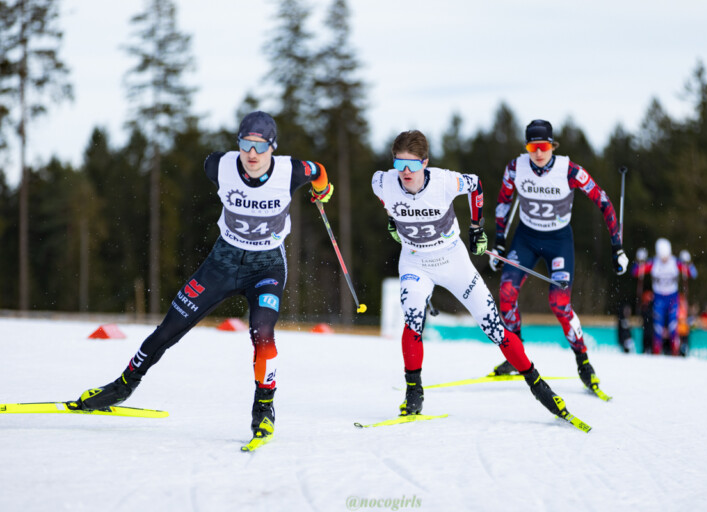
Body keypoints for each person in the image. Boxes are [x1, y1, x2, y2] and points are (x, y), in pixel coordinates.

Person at [74, 111, 334, 446]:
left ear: (273, 148)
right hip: (223, 262)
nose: (252, 155)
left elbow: (319, 172)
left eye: (260, 146)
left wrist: (323, 191)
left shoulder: (291, 171)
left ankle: (264, 409)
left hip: (266, 266)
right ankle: (123, 385)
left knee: (263, 331)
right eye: (245, 144)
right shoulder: (218, 165)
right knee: (169, 327)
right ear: (238, 143)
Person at [371, 129, 574, 422]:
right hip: (415, 262)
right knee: (413, 319)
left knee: (493, 327)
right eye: (399, 164)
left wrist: (476, 228)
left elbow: (476, 186)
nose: (405, 172)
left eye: (412, 165)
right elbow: (383, 195)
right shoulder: (382, 181)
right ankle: (413, 392)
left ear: (425, 163)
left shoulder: (444, 181)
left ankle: (538, 385)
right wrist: (393, 218)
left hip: (453, 261)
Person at [487, 120, 627, 398]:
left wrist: (617, 247)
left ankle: (583, 361)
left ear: (552, 145)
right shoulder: (516, 167)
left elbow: (603, 201)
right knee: (505, 292)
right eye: (532, 147)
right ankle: (516, 356)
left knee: (559, 303)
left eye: (544, 146)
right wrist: (500, 242)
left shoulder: (570, 171)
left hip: (558, 241)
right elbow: (504, 202)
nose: (538, 153)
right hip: (526, 238)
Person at [631, 238, 697, 355]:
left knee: (673, 326)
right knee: (658, 327)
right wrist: (639, 260)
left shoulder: (675, 262)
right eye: (662, 257)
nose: (664, 260)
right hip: (659, 298)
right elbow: (635, 272)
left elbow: (693, 273)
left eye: (666, 256)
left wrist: (687, 262)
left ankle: (675, 351)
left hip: (672, 298)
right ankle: (656, 351)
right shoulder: (654, 262)